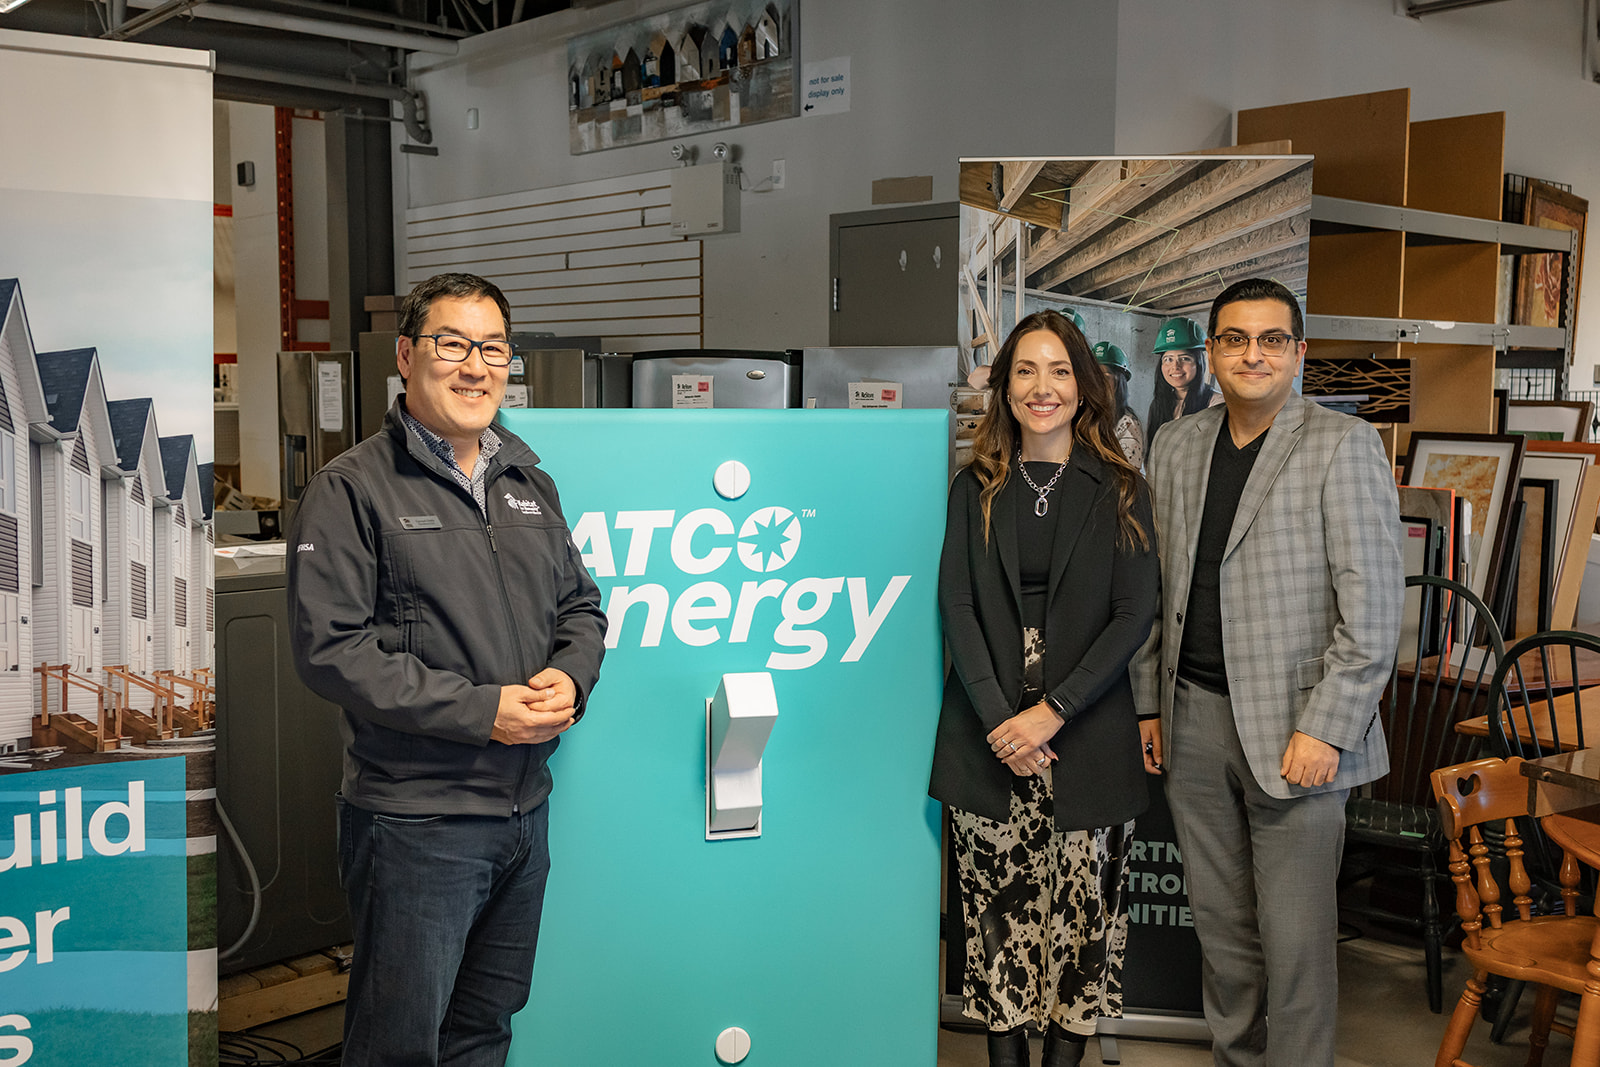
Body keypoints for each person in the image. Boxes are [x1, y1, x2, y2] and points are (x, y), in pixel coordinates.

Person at [287, 271, 608, 1067]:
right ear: (406, 355)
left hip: (522, 813)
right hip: (418, 822)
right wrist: (481, 712)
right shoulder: (352, 488)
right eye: (452, 344)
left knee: (482, 1031)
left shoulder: (528, 481)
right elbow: (332, 649)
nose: (475, 365)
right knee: (399, 1046)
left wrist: (571, 676)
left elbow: (582, 607)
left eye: (493, 347)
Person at [1132, 278, 1402, 1066]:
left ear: (1298, 352)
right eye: (1236, 338)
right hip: (1192, 722)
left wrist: (1328, 725)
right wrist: (1151, 702)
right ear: (1210, 351)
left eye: (1272, 339)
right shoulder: (1177, 445)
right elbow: (1157, 587)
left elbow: (1376, 608)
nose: (1253, 353)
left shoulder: (1342, 445)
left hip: (1299, 732)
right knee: (1222, 934)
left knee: (1296, 947)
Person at [931, 309, 1161, 1067]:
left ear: (1084, 386)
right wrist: (1005, 721)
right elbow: (957, 603)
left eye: (1059, 370)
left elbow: (1136, 612)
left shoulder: (1121, 486)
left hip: (1086, 729)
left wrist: (1050, 713)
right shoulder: (977, 486)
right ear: (1004, 387)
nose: (1042, 387)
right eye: (1026, 370)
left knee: (1084, 925)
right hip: (989, 735)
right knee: (996, 925)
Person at [1144, 316, 1214, 442]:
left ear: (1199, 363)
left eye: (1185, 358)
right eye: (1168, 359)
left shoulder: (1214, 404)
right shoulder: (1158, 404)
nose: (1175, 366)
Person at [1092, 341, 1145, 468]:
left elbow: (1130, 474)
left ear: (1119, 381)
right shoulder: (1086, 416)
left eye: (1105, 377)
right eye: (1094, 376)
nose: (1098, 383)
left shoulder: (1126, 423)